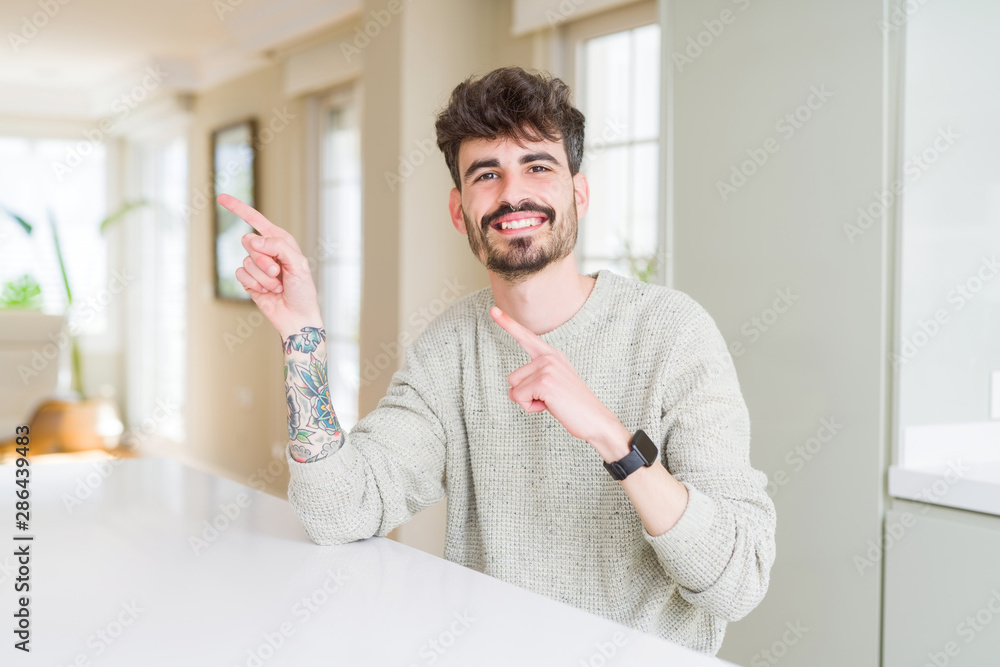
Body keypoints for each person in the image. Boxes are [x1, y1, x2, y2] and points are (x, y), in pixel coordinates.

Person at [216, 66, 776, 656]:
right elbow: (339, 511)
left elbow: (738, 582)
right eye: (488, 174)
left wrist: (613, 439)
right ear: (459, 211)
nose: (513, 194)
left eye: (538, 165)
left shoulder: (674, 334)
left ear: (577, 194)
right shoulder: (448, 348)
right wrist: (302, 337)